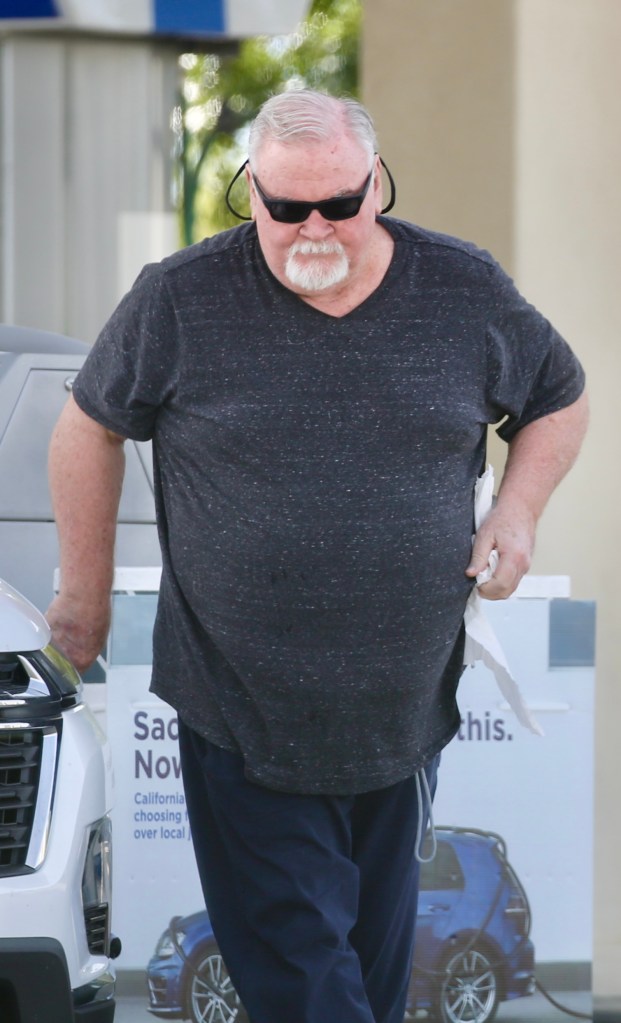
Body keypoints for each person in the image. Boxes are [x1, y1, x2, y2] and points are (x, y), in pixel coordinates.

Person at [47, 90, 588, 1023]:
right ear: (247, 188)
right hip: (241, 708)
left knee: (369, 979)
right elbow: (87, 427)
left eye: (337, 204)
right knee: (304, 976)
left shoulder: (462, 288)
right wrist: (82, 598)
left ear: (375, 184)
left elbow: (558, 396)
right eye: (283, 205)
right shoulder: (179, 298)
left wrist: (517, 510)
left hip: (402, 711)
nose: (311, 227)